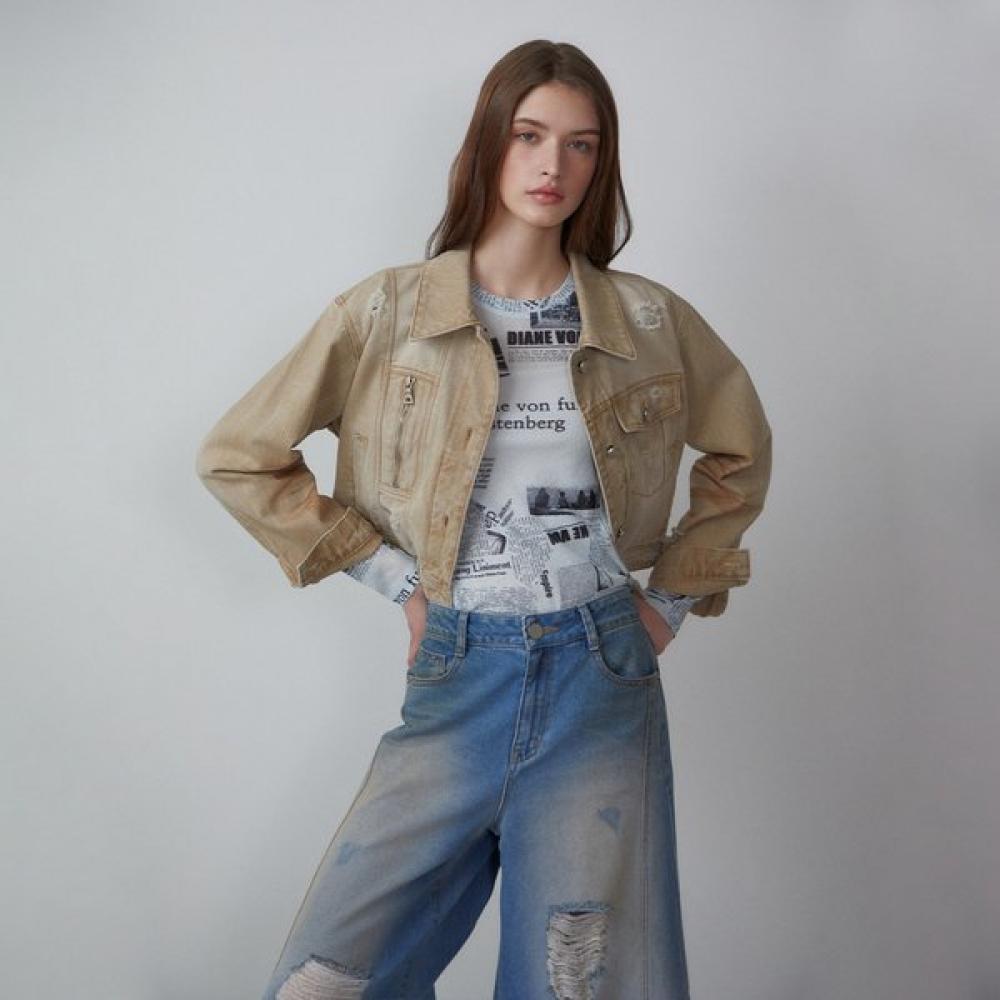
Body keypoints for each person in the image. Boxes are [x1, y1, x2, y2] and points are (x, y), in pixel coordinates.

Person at [196, 38, 772, 1000]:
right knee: (325, 981)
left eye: (582, 144)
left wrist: (668, 602)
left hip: (600, 680)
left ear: (602, 163)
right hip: (457, 671)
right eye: (529, 135)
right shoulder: (387, 312)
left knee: (577, 983)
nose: (554, 166)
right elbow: (239, 455)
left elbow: (740, 452)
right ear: (487, 145)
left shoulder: (647, 321)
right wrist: (393, 580)